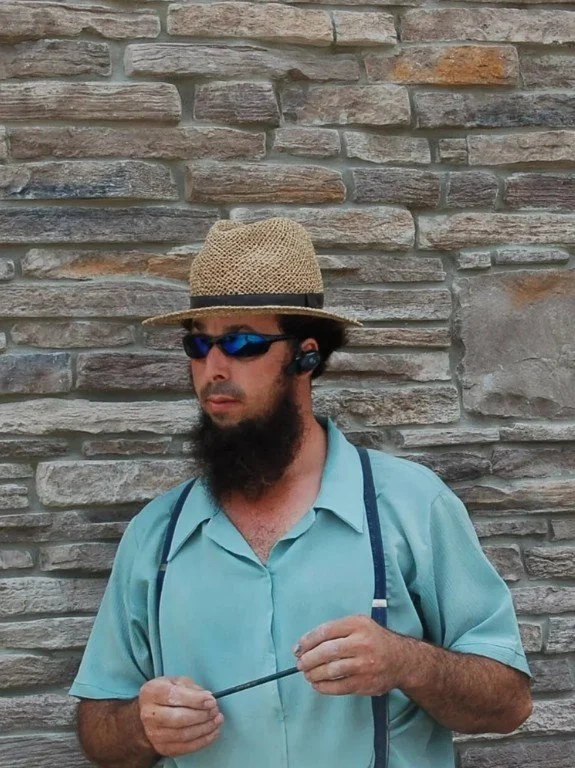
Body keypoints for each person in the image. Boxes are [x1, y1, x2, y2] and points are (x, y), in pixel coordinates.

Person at [70, 217, 532, 768]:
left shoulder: (412, 505)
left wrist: (407, 662)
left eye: (241, 342)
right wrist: (139, 727)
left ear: (306, 355)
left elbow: (509, 703)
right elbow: (97, 729)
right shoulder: (157, 534)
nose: (213, 368)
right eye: (198, 343)